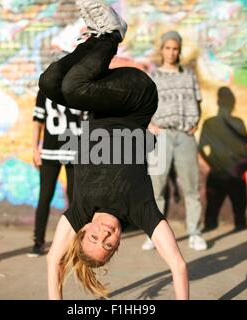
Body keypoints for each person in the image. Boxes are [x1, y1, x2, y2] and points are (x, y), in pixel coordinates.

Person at [42, 0, 189, 299]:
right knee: (72, 88)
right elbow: (178, 264)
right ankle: (110, 35)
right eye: (108, 243)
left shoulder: (81, 209)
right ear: (119, 243)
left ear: (84, 230)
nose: (104, 234)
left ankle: (99, 37)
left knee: (50, 83)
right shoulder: (141, 210)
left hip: (106, 99)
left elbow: (53, 259)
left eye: (95, 237)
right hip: (137, 99)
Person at [141, 31, 207, 251]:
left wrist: (195, 123)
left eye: (175, 48)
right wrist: (150, 126)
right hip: (161, 136)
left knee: (191, 187)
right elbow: (143, 106)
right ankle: (154, 234)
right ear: (162, 50)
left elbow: (197, 102)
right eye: (167, 48)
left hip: (185, 136)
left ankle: (195, 233)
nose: (171, 52)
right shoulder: (153, 76)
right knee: (156, 187)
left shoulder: (188, 75)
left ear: (179, 50)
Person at [28, 88, 85, 257]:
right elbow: (37, 122)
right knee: (45, 196)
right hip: (50, 151)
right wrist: (34, 149)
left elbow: (88, 122)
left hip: (75, 150)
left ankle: (76, 242)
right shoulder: (45, 90)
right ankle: (38, 242)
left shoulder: (78, 89)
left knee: (75, 197)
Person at [199, 87, 247, 232]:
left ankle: (212, 226)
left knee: (213, 213)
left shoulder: (210, 123)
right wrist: (242, 167)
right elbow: (244, 151)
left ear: (218, 102)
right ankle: (237, 225)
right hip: (233, 172)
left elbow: (202, 148)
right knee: (238, 213)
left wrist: (213, 164)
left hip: (220, 172)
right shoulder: (236, 122)